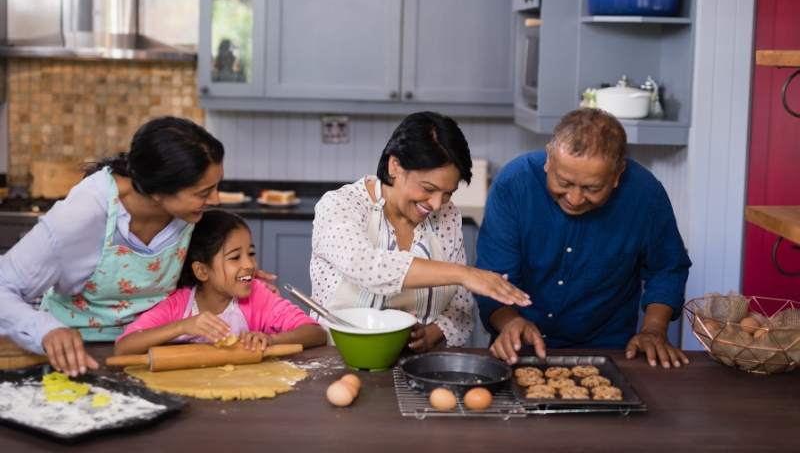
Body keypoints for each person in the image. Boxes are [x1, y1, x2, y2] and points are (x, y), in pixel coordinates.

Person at [0, 117, 229, 376]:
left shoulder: (187, 213)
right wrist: (45, 330)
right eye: (203, 193)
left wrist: (237, 273)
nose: (215, 199)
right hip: (81, 357)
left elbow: (197, 272)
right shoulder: (83, 214)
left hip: (156, 352)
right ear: (157, 191)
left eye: (216, 186)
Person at [476, 108, 692, 369]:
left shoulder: (645, 195)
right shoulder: (514, 184)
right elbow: (494, 276)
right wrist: (510, 322)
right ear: (548, 160)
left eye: (592, 188)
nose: (575, 199)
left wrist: (653, 330)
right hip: (518, 346)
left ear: (617, 173)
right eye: (564, 182)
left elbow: (667, 268)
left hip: (609, 351)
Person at [311, 111, 531, 353]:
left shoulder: (446, 216)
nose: (437, 204)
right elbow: (364, 265)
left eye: (448, 193)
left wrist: (431, 335)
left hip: (417, 368)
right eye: (428, 188)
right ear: (395, 166)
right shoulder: (340, 205)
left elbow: (459, 308)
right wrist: (463, 274)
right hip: (336, 362)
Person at [115, 210, 326, 354]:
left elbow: (315, 333)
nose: (249, 264)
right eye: (235, 257)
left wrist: (271, 340)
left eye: (251, 253)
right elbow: (124, 347)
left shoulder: (258, 297)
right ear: (202, 271)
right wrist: (181, 327)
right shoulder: (178, 305)